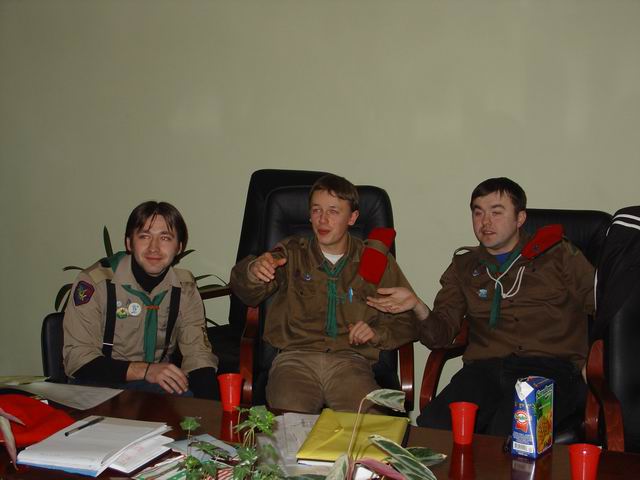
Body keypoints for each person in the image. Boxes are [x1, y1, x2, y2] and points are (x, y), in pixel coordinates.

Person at [367, 177, 594, 435]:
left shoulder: (558, 254)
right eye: (478, 213)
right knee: (434, 428)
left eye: (496, 212)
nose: (485, 222)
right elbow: (440, 336)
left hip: (550, 372)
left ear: (520, 218)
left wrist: (598, 358)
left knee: (510, 432)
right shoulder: (464, 266)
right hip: (485, 371)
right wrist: (418, 306)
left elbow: (603, 306)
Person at [230, 174, 417, 413]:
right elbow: (246, 292)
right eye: (316, 210)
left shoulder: (375, 261)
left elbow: (407, 321)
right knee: (290, 423)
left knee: (366, 426)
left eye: (333, 211)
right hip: (294, 362)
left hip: (351, 364)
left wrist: (376, 333)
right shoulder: (292, 253)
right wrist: (253, 271)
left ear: (352, 218)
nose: (323, 219)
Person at [63, 201, 218, 399]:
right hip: (97, 384)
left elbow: (198, 354)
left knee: (194, 400)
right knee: (178, 399)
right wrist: (145, 370)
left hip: (152, 385)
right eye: (144, 236)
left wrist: (212, 408)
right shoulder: (97, 283)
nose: (154, 248)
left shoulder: (184, 288)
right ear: (129, 243)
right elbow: (77, 360)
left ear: (179, 247)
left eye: (165, 238)